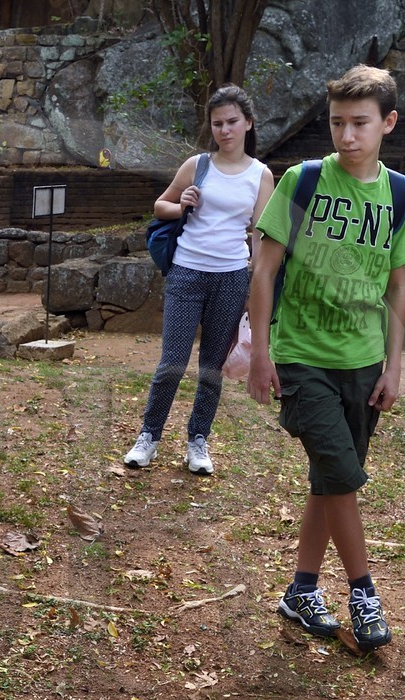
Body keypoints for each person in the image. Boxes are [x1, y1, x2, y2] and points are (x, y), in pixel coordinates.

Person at [244, 65, 405, 652]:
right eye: (337, 123)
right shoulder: (303, 181)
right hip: (302, 356)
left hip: (364, 362)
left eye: (359, 123)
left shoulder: (399, 194)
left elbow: (397, 285)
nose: (347, 136)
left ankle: (300, 589)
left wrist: (393, 367)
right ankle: (363, 594)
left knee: (330, 482)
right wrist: (261, 352)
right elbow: (264, 270)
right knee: (342, 476)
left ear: (388, 124)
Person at [123, 85, 275, 477]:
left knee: (212, 366)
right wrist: (181, 205)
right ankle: (149, 435)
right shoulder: (198, 165)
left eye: (232, 122)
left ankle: (198, 440)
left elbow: (260, 236)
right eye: (217, 123)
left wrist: (256, 286)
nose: (225, 130)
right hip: (187, 271)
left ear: (248, 123)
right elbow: (161, 205)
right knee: (171, 362)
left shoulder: (261, 175)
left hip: (231, 277)